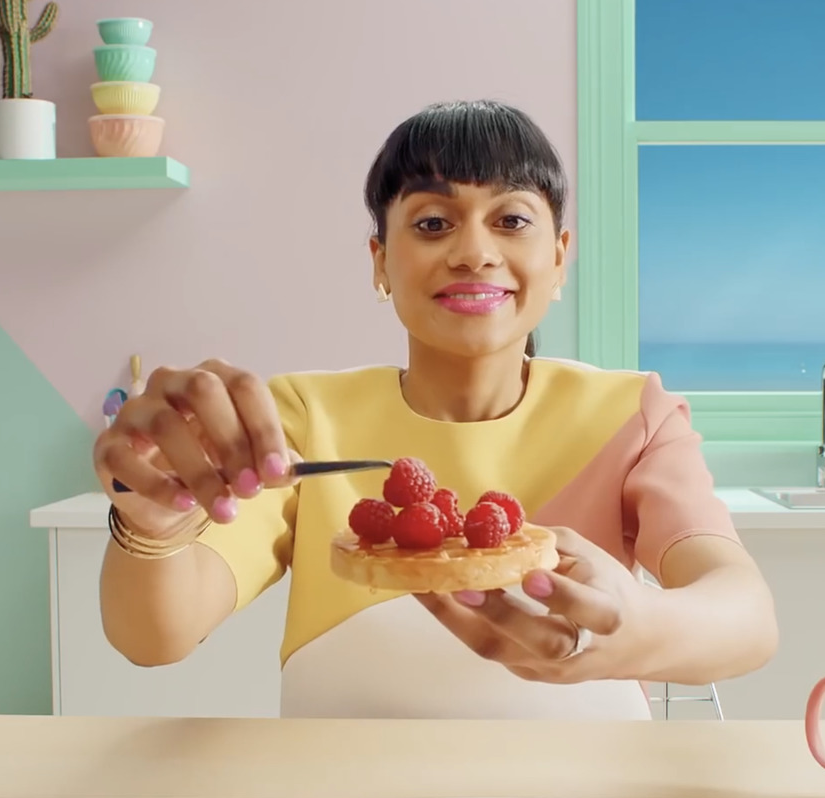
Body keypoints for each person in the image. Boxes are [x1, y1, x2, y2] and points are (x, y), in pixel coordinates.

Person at [92, 99, 778, 720]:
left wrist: (643, 631)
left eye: (511, 220)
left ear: (560, 259)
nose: (474, 252)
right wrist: (150, 521)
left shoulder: (632, 413)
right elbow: (157, 638)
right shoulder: (299, 419)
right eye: (432, 222)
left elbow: (747, 615)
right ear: (381, 261)